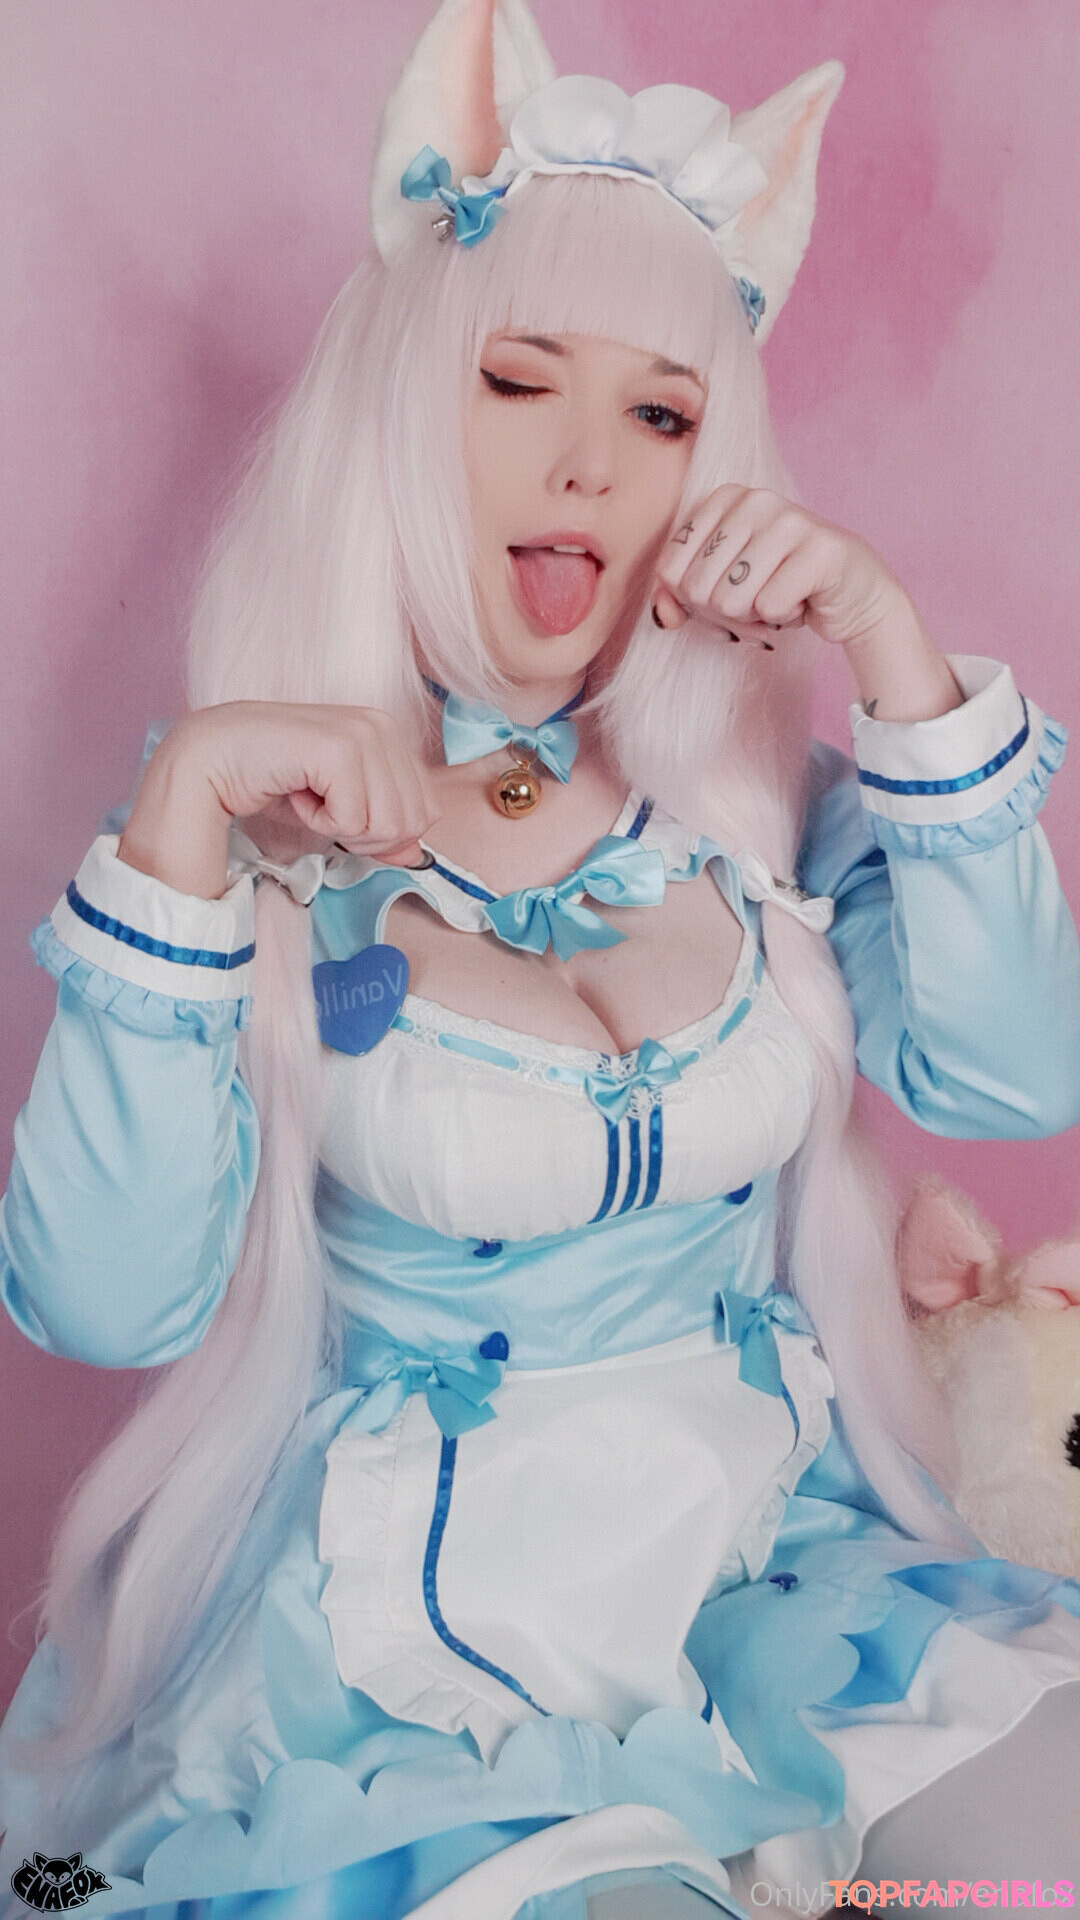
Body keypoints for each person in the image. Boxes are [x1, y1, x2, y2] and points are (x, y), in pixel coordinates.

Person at [1, 3, 1079, 1916]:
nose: (589, 466)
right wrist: (179, 833)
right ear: (404, 410)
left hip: (772, 1575)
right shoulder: (251, 829)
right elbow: (106, 1307)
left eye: (662, 413)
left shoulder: (757, 810)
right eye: (519, 382)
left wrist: (892, 648)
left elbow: (1017, 1081)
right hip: (417, 1653)